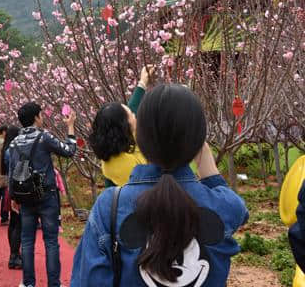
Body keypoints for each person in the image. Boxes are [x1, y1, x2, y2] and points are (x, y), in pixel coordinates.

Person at [71, 84, 249, 287]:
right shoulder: (222, 205)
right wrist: (207, 165)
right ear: (199, 139)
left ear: (139, 137)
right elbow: (237, 209)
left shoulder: (109, 206)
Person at [9, 102, 77, 287]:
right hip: (45, 194)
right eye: (41, 114)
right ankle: (53, 284)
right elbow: (69, 150)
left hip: (25, 195)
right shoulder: (43, 137)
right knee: (51, 241)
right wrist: (70, 127)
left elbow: (12, 171)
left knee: (27, 240)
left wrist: (13, 197)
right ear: (36, 117)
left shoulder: (14, 142)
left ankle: (28, 283)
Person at [88, 66, 152, 187]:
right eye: (131, 115)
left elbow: (132, 107)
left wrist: (142, 82)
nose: (134, 115)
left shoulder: (114, 145)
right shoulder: (123, 165)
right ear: (124, 126)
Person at [3, 125, 22, 269]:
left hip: (9, 188)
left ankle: (13, 253)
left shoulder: (7, 150)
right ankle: (14, 255)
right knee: (18, 223)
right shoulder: (15, 151)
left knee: (13, 222)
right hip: (17, 189)